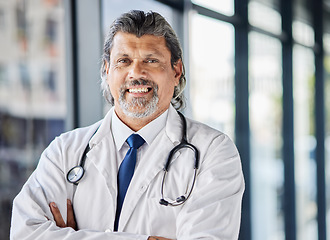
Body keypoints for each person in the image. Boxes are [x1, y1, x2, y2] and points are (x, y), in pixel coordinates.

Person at [10, 10, 245, 240]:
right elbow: (25, 233)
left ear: (176, 70)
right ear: (107, 70)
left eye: (151, 60)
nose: (136, 73)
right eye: (123, 61)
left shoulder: (214, 152)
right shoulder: (65, 151)